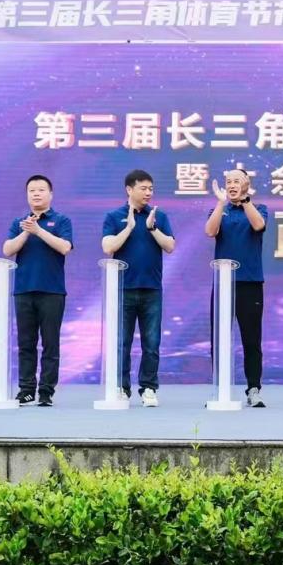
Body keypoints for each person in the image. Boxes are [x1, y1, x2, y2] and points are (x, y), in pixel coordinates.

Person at [101, 169, 176, 407]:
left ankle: (149, 388)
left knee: (151, 343)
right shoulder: (114, 216)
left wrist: (153, 228)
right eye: (143, 188)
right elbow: (108, 247)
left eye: (151, 189)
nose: (148, 193)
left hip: (152, 289)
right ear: (129, 189)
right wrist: (129, 228)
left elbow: (170, 246)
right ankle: (121, 388)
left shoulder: (158, 216)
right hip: (123, 290)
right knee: (121, 343)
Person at [2, 174, 73, 407]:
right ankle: (26, 389)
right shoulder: (19, 222)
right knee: (26, 344)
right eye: (32, 190)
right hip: (24, 290)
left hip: (52, 291)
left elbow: (64, 247)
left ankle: (46, 391)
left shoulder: (61, 220)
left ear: (50, 194)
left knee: (50, 343)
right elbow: (7, 250)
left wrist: (39, 231)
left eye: (41, 190)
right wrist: (27, 231)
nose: (36, 194)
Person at [204, 169, 269, 407]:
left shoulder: (259, 208)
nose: (232, 185)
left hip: (250, 282)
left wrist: (245, 200)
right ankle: (220, 388)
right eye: (228, 181)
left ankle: (253, 388)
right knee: (219, 339)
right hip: (223, 284)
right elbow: (210, 231)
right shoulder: (220, 209)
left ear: (247, 184)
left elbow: (258, 225)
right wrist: (220, 203)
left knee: (251, 339)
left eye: (237, 181)